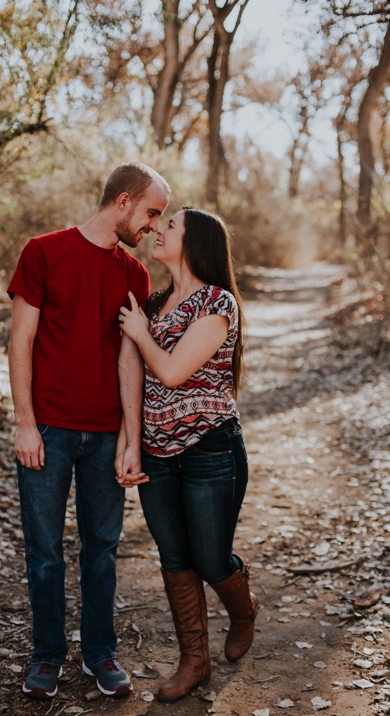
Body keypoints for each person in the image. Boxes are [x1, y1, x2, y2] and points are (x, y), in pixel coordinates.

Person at [7, 163, 171, 699]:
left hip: (105, 435)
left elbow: (131, 361)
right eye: (151, 213)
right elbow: (20, 342)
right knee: (45, 551)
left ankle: (100, 653)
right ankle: (47, 656)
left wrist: (130, 438)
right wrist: (25, 424)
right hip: (48, 431)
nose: (153, 226)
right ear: (123, 202)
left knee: (101, 549)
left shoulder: (135, 276)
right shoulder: (43, 252)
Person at [118, 207, 257, 703]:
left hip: (210, 449)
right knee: (175, 558)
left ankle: (243, 611)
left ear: (195, 241)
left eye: (170, 225)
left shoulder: (217, 303)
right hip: (157, 454)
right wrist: (131, 441)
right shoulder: (152, 306)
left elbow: (173, 372)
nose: (158, 229)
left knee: (212, 559)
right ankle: (194, 661)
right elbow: (131, 374)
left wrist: (138, 333)